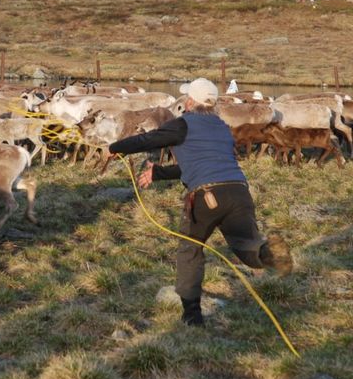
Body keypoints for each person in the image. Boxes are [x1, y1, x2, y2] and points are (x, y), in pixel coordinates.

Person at [108, 78, 293, 326]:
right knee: (244, 244)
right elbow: (203, 161)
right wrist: (159, 173)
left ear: (191, 101)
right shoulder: (221, 127)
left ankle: (192, 315)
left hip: (207, 196)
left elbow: (148, 140)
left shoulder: (182, 124)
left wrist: (116, 147)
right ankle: (267, 253)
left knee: (190, 250)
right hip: (239, 191)